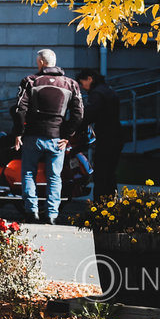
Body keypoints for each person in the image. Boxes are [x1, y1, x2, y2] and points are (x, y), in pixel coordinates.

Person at [12, 49, 84, 224]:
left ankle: (32, 212)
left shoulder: (30, 81)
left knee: (29, 173)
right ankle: (51, 215)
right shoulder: (71, 84)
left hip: (33, 137)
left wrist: (18, 133)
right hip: (57, 138)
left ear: (41, 63)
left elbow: (19, 109)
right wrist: (67, 135)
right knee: (54, 177)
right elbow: (79, 114)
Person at [76, 68, 124, 200]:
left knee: (101, 174)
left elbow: (89, 115)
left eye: (82, 83)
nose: (82, 87)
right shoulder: (107, 90)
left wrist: (74, 127)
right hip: (115, 134)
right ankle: (111, 204)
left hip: (107, 136)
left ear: (90, 79)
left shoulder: (97, 94)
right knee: (109, 173)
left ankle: (99, 205)